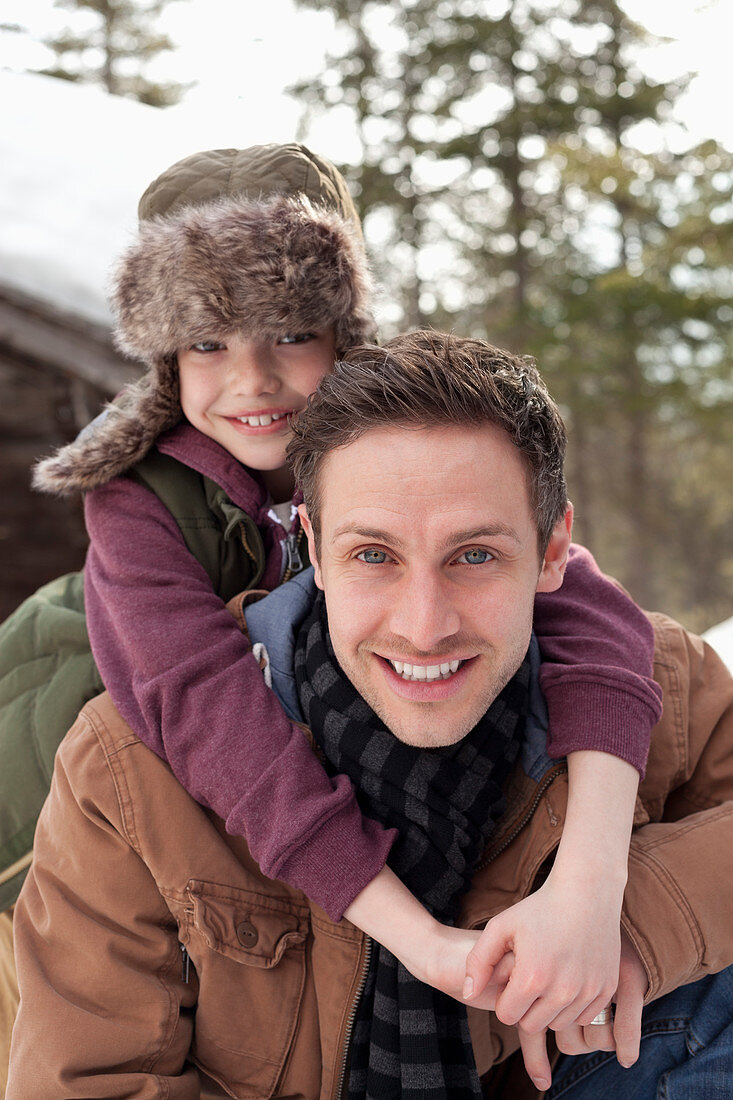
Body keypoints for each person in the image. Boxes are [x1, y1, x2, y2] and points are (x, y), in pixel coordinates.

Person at [25, 145, 659, 1040]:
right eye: (208, 342)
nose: (254, 381)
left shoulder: (406, 451)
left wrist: (592, 887)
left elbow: (579, 603)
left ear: (343, 333)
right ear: (167, 357)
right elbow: (209, 713)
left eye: (289, 333)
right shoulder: (140, 503)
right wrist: (419, 940)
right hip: (83, 835)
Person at [8, 331, 732, 1098]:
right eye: (374, 556)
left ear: (553, 551)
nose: (424, 627)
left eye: (475, 555)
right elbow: (85, 1082)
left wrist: (617, 920)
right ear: (314, 549)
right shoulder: (126, 775)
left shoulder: (661, 683)